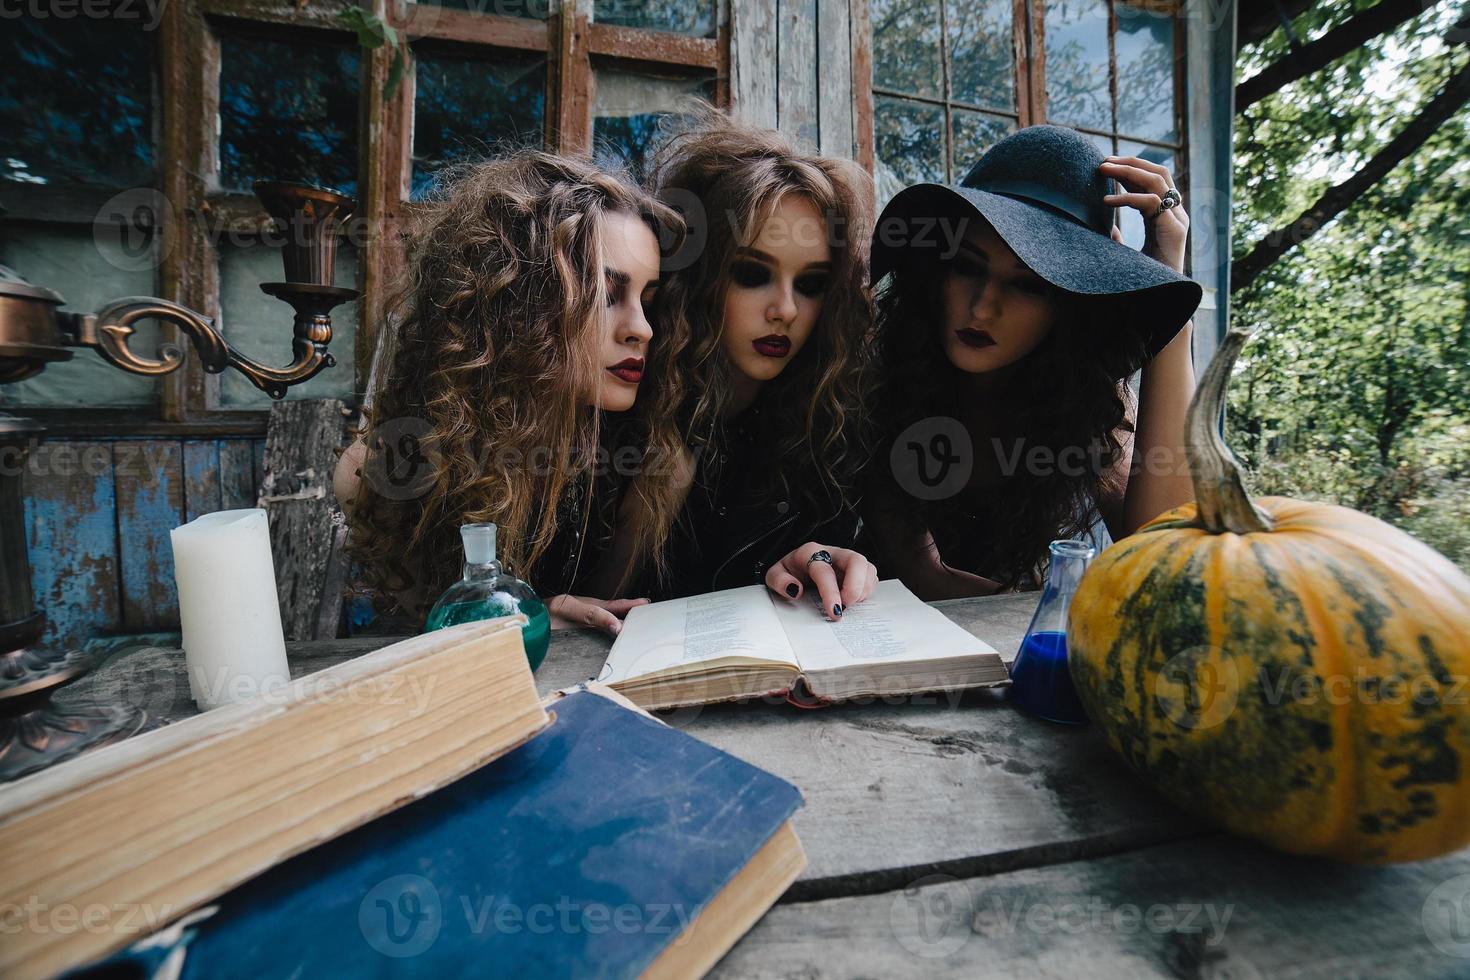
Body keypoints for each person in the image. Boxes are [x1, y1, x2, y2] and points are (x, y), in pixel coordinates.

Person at [334, 150, 687, 635]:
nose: (642, 329)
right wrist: (526, 619)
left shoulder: (646, 461)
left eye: (646, 301)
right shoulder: (382, 469)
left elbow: (605, 620)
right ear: (519, 305)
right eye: (607, 295)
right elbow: (428, 637)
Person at [862, 125, 1204, 599]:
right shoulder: (872, 379)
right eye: (967, 267)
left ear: (1068, 303)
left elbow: (1168, 555)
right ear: (934, 271)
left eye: (1028, 284)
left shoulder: (1085, 402)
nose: (982, 308)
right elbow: (924, 580)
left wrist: (1168, 298)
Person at [595, 109, 879, 620]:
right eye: (753, 274)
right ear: (700, 277)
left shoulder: (825, 420)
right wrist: (644, 512)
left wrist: (814, 562)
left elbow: (802, 581)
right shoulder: (618, 398)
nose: (786, 310)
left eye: (811, 284)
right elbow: (580, 609)